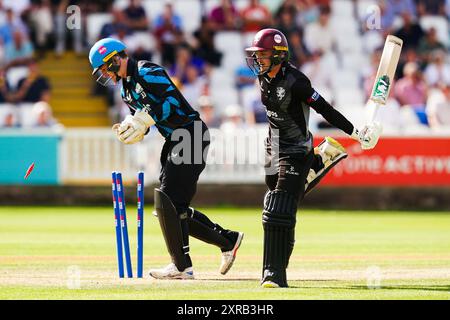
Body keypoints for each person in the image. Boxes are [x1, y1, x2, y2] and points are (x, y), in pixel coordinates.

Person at [88, 38, 244, 279]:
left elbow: (171, 103)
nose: (105, 75)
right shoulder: (126, 90)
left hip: (190, 133)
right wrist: (134, 130)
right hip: (174, 139)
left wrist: (145, 119)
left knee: (168, 203)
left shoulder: (147, 71)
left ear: (115, 59)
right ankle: (227, 240)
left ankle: (182, 267)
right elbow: (145, 122)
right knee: (171, 208)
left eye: (104, 68)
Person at [245, 28, 381, 288]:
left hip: (296, 149)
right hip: (272, 147)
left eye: (262, 55)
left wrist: (355, 132)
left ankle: (274, 273)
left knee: (279, 207)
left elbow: (325, 109)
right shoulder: (263, 78)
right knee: (281, 199)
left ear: (278, 55)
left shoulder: (296, 81)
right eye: (256, 55)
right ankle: (317, 163)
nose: (257, 60)